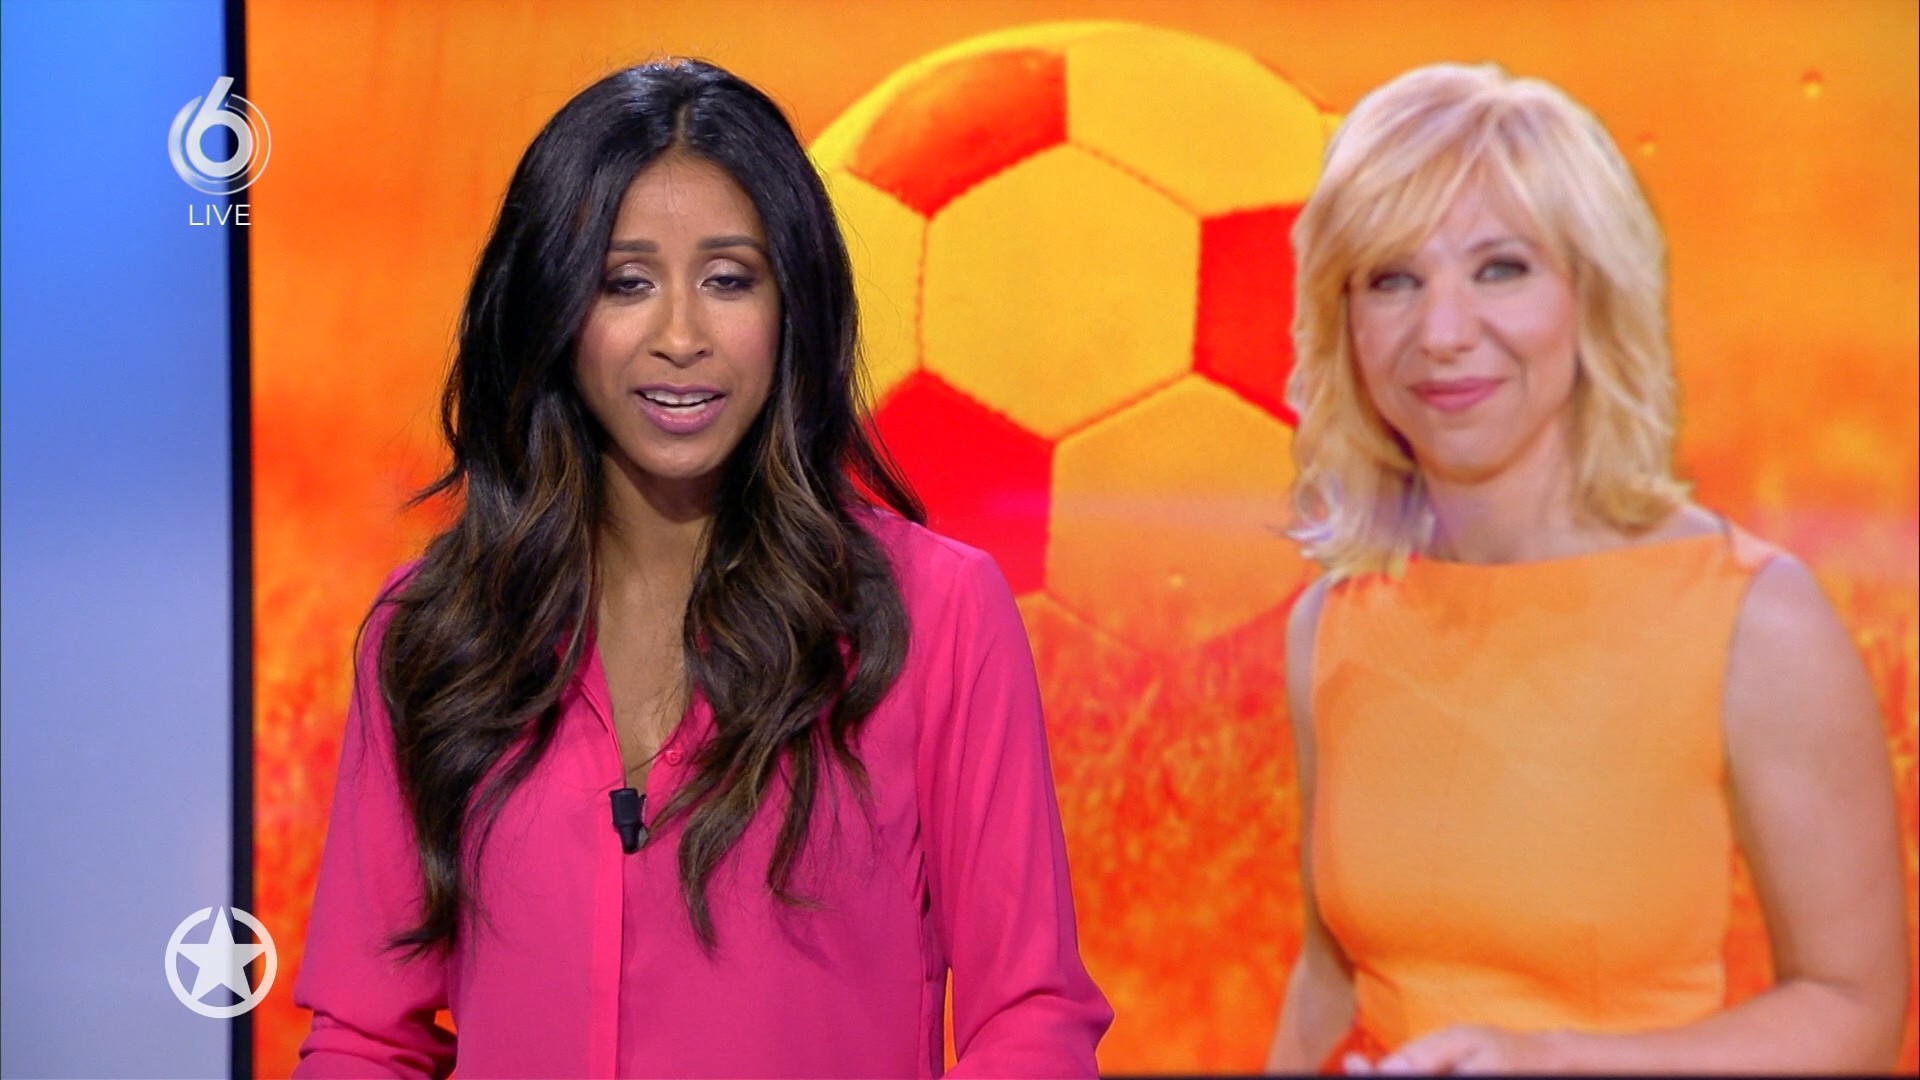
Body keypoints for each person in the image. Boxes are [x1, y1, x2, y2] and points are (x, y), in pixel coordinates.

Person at [293, 59, 1110, 1078]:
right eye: (625, 284)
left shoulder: (935, 616)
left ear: (794, 305)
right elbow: (367, 1040)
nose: (680, 337)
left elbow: (1029, 1019)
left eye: (729, 280)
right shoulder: (439, 631)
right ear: (552, 311)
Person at [1264, 62, 1907, 1074]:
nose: (1442, 333)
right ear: (1344, 322)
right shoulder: (1331, 622)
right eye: (1392, 279)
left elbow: (1853, 1010)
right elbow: (1327, 981)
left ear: (1592, 295)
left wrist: (1550, 1061)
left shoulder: (1754, 620)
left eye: (1500, 268)